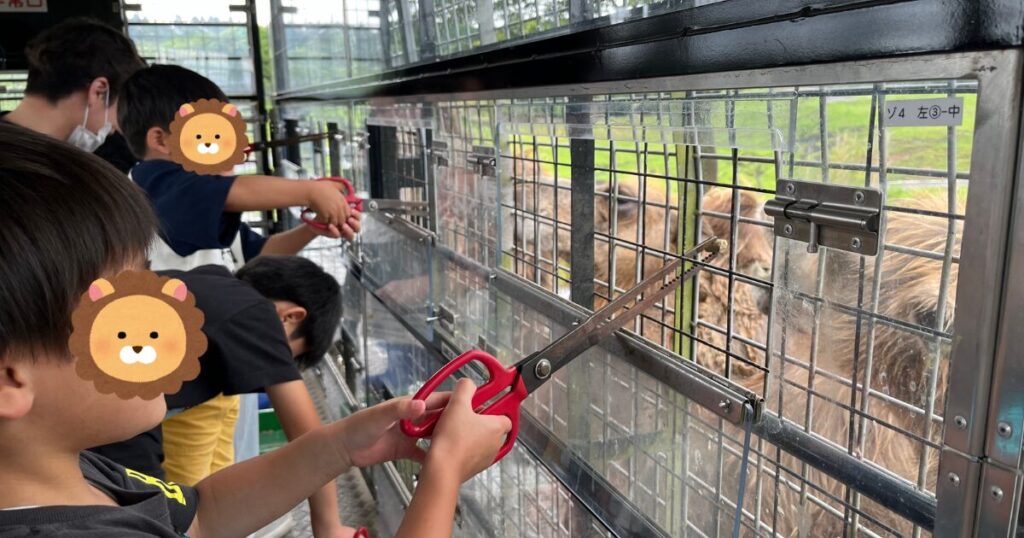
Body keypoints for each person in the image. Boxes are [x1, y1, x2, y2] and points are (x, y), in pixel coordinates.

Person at [0, 120, 510, 538]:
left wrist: (341, 448)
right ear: (9, 378)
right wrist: (442, 476)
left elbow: (201, 516)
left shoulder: (80, 473)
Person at [89, 256, 353, 536]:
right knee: (149, 518)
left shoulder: (211, 285)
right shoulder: (257, 312)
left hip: (94, 400)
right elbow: (310, 437)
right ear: (290, 317)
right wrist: (329, 525)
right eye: (288, 354)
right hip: (115, 408)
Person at [118, 63, 360, 271]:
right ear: (161, 140)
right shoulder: (152, 185)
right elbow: (235, 192)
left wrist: (313, 228)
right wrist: (310, 192)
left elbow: (259, 254)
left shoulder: (198, 203)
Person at [1, 18, 145, 166]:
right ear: (98, 91)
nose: (113, 130)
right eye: (120, 111)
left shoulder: (48, 156)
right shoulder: (44, 170)